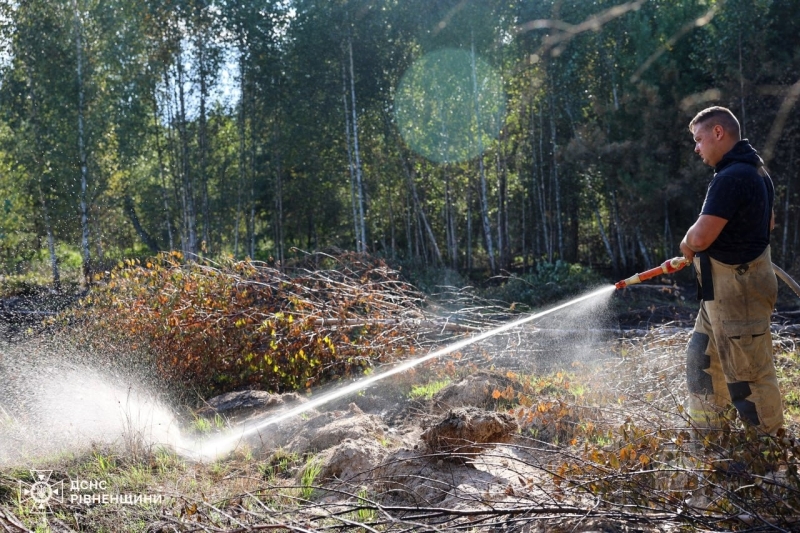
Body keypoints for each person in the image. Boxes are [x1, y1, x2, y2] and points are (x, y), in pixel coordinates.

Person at [679, 106, 782, 436]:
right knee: (702, 360)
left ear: (718, 133)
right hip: (719, 295)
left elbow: (700, 236)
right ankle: (713, 443)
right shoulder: (755, 172)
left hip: (740, 294)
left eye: (699, 139)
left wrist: (687, 243)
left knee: (749, 378)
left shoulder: (733, 177)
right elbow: (769, 223)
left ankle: (772, 458)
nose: (697, 148)